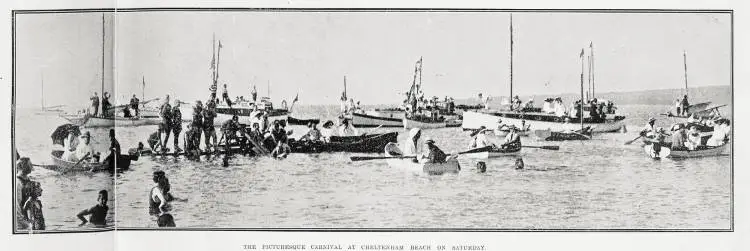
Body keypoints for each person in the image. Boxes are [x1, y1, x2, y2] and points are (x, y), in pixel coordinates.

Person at [15, 157, 34, 230]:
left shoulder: (27, 179)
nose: (31, 167)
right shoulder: (18, 183)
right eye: (29, 165)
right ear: (23, 166)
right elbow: (17, 207)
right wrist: (25, 224)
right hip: (22, 223)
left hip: (29, 219)